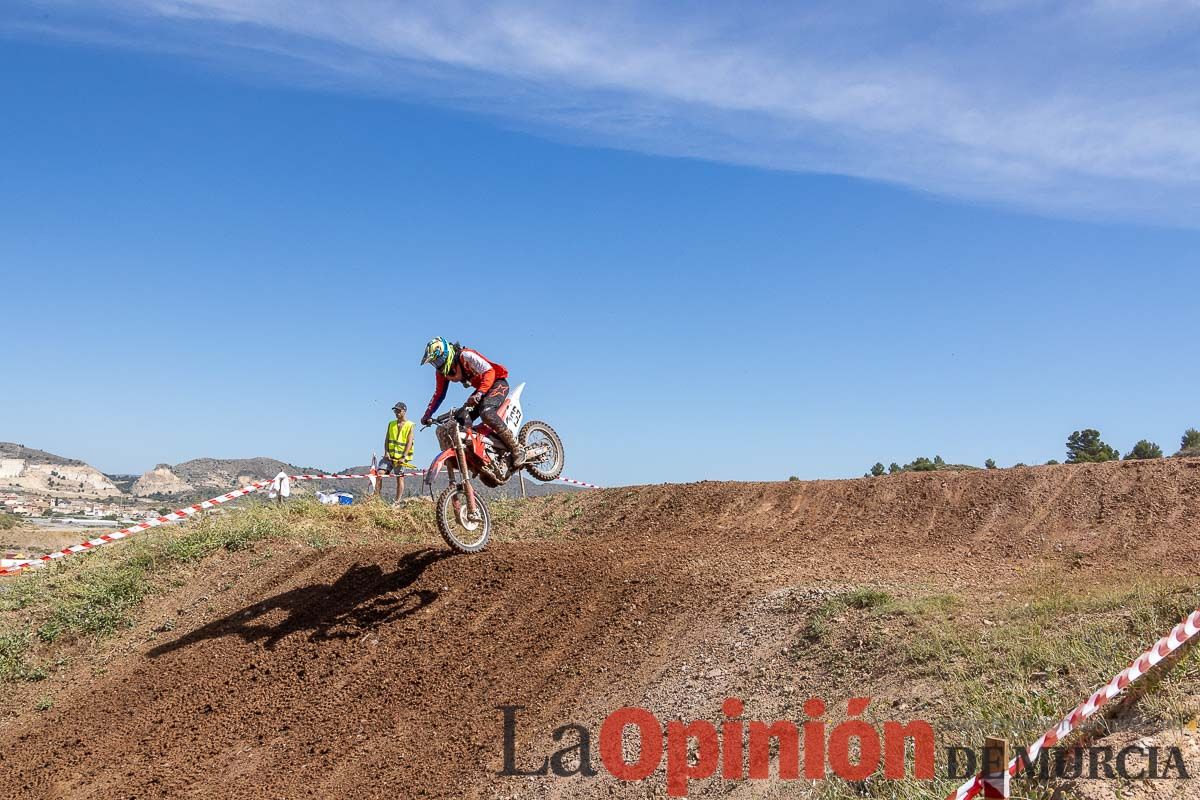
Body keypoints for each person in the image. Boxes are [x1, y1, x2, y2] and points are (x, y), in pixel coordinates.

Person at [419, 337, 526, 467]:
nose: (438, 365)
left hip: (496, 383)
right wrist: (427, 414)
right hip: (481, 391)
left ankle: (516, 448)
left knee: (486, 412)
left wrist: (480, 393)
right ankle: (477, 452)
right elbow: (439, 394)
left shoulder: (466, 355)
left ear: (447, 353)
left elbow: (489, 371)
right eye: (435, 363)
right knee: (460, 418)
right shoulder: (442, 373)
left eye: (439, 359)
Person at [375, 401, 415, 502]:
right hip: (389, 456)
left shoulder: (410, 425)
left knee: (399, 478)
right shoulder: (391, 424)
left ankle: (397, 501)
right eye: (395, 411)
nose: (396, 413)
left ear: (404, 411)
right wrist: (386, 452)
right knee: (380, 473)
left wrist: (404, 457)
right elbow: (387, 439)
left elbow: (409, 442)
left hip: (401, 458)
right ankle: (376, 498)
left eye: (398, 411)